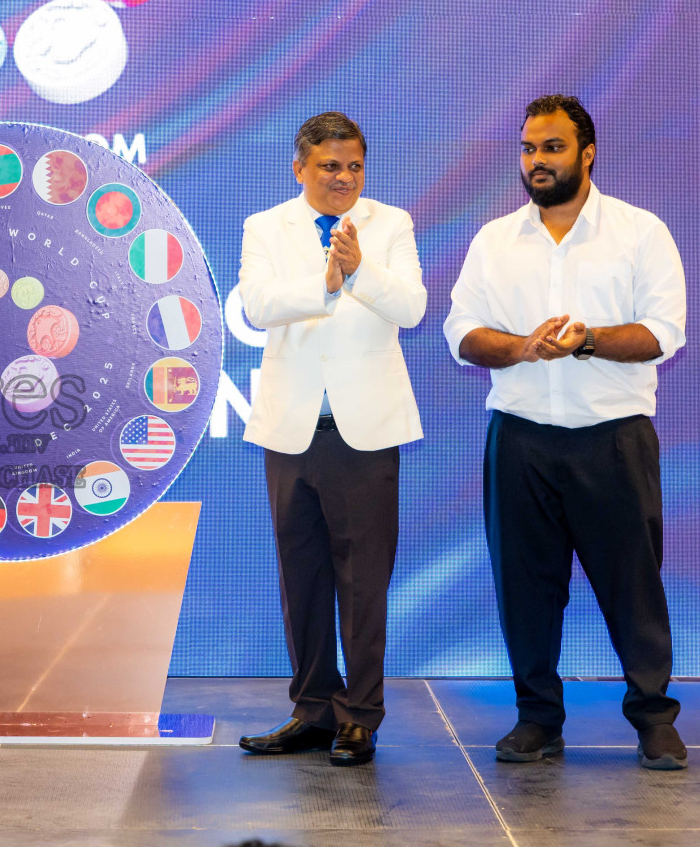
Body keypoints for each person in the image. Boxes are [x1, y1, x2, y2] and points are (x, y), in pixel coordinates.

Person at [444, 94, 686, 770]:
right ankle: (537, 720)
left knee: (631, 584)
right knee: (525, 585)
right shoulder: (496, 239)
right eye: (527, 148)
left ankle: (652, 719)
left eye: (551, 148)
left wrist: (586, 341)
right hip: (520, 440)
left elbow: (663, 333)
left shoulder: (640, 233)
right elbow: (461, 332)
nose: (537, 161)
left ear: (587, 152)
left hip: (612, 438)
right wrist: (522, 348)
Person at [236, 112, 426, 767]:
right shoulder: (265, 227)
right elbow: (257, 305)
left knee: (364, 581)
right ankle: (313, 710)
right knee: (303, 579)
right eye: (329, 167)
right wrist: (325, 279)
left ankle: (360, 718)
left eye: (353, 166)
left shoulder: (391, 224)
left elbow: (411, 308)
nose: (343, 178)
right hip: (292, 432)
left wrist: (359, 269)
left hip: (365, 435)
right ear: (300, 168)